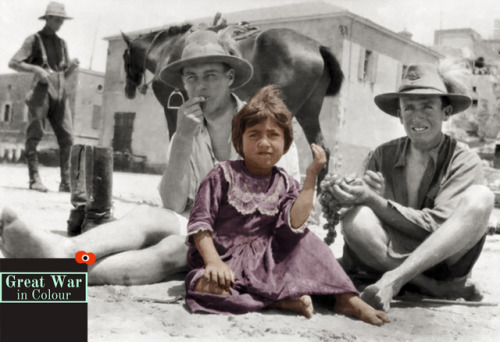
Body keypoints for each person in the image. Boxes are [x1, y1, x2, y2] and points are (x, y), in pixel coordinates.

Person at [0, 29, 298, 286]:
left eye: (210, 76)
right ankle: (68, 252)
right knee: (146, 215)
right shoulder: (186, 129)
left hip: (254, 236)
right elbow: (172, 205)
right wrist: (183, 138)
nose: (200, 86)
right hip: (201, 225)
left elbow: (286, 207)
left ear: (230, 77)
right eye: (191, 78)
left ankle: (72, 271)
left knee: (174, 248)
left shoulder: (266, 127)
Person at [184, 85, 389, 325]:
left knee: (309, 240)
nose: (264, 142)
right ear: (239, 140)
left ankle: (346, 299)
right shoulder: (221, 174)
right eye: (254, 134)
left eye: (273, 135)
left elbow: (294, 224)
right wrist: (213, 262)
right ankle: (278, 301)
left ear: (285, 143)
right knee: (203, 286)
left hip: (268, 261)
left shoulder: (285, 182)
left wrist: (312, 174)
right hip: (225, 258)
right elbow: (200, 223)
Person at [330, 63, 494, 312]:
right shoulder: (382, 154)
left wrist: (376, 201)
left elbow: (436, 228)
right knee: (356, 218)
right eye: (409, 108)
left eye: (428, 106)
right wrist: (354, 196)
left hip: (444, 264)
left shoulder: (464, 160)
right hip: (393, 257)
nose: (417, 116)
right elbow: (363, 225)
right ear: (399, 115)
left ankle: (395, 281)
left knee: (481, 197)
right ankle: (426, 286)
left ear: (446, 112)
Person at [9, 2, 80, 192]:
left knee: (67, 138)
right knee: (35, 135)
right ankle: (34, 180)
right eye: (57, 19)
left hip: (60, 92)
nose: (60, 23)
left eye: (62, 20)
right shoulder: (33, 40)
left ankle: (66, 182)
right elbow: (13, 62)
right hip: (41, 92)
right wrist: (36, 69)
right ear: (47, 19)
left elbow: (62, 74)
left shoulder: (62, 43)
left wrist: (71, 68)